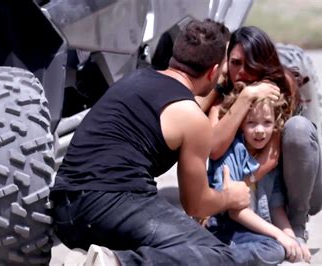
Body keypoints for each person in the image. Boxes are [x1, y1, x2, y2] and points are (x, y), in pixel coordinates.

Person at [49, 19, 251, 265]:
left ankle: (100, 257)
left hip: (64, 211)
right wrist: (230, 197)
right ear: (213, 71)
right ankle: (113, 263)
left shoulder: (134, 80)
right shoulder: (192, 118)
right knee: (219, 255)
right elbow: (196, 205)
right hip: (110, 205)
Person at [205, 26, 322, 261]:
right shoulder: (223, 96)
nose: (241, 72)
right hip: (262, 197)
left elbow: (271, 159)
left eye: (250, 64)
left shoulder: (282, 86)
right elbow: (213, 149)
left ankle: (299, 224)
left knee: (298, 129)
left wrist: (238, 188)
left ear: (263, 63)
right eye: (235, 63)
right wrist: (246, 97)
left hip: (302, 187)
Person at [206, 82, 305, 264]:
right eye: (251, 123)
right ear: (241, 123)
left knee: (277, 249)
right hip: (222, 227)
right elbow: (235, 211)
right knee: (274, 248)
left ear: (276, 123)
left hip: (251, 230)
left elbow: (276, 207)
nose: (260, 130)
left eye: (267, 123)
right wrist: (278, 234)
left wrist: (292, 239)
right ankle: (212, 258)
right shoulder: (231, 152)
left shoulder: (270, 157)